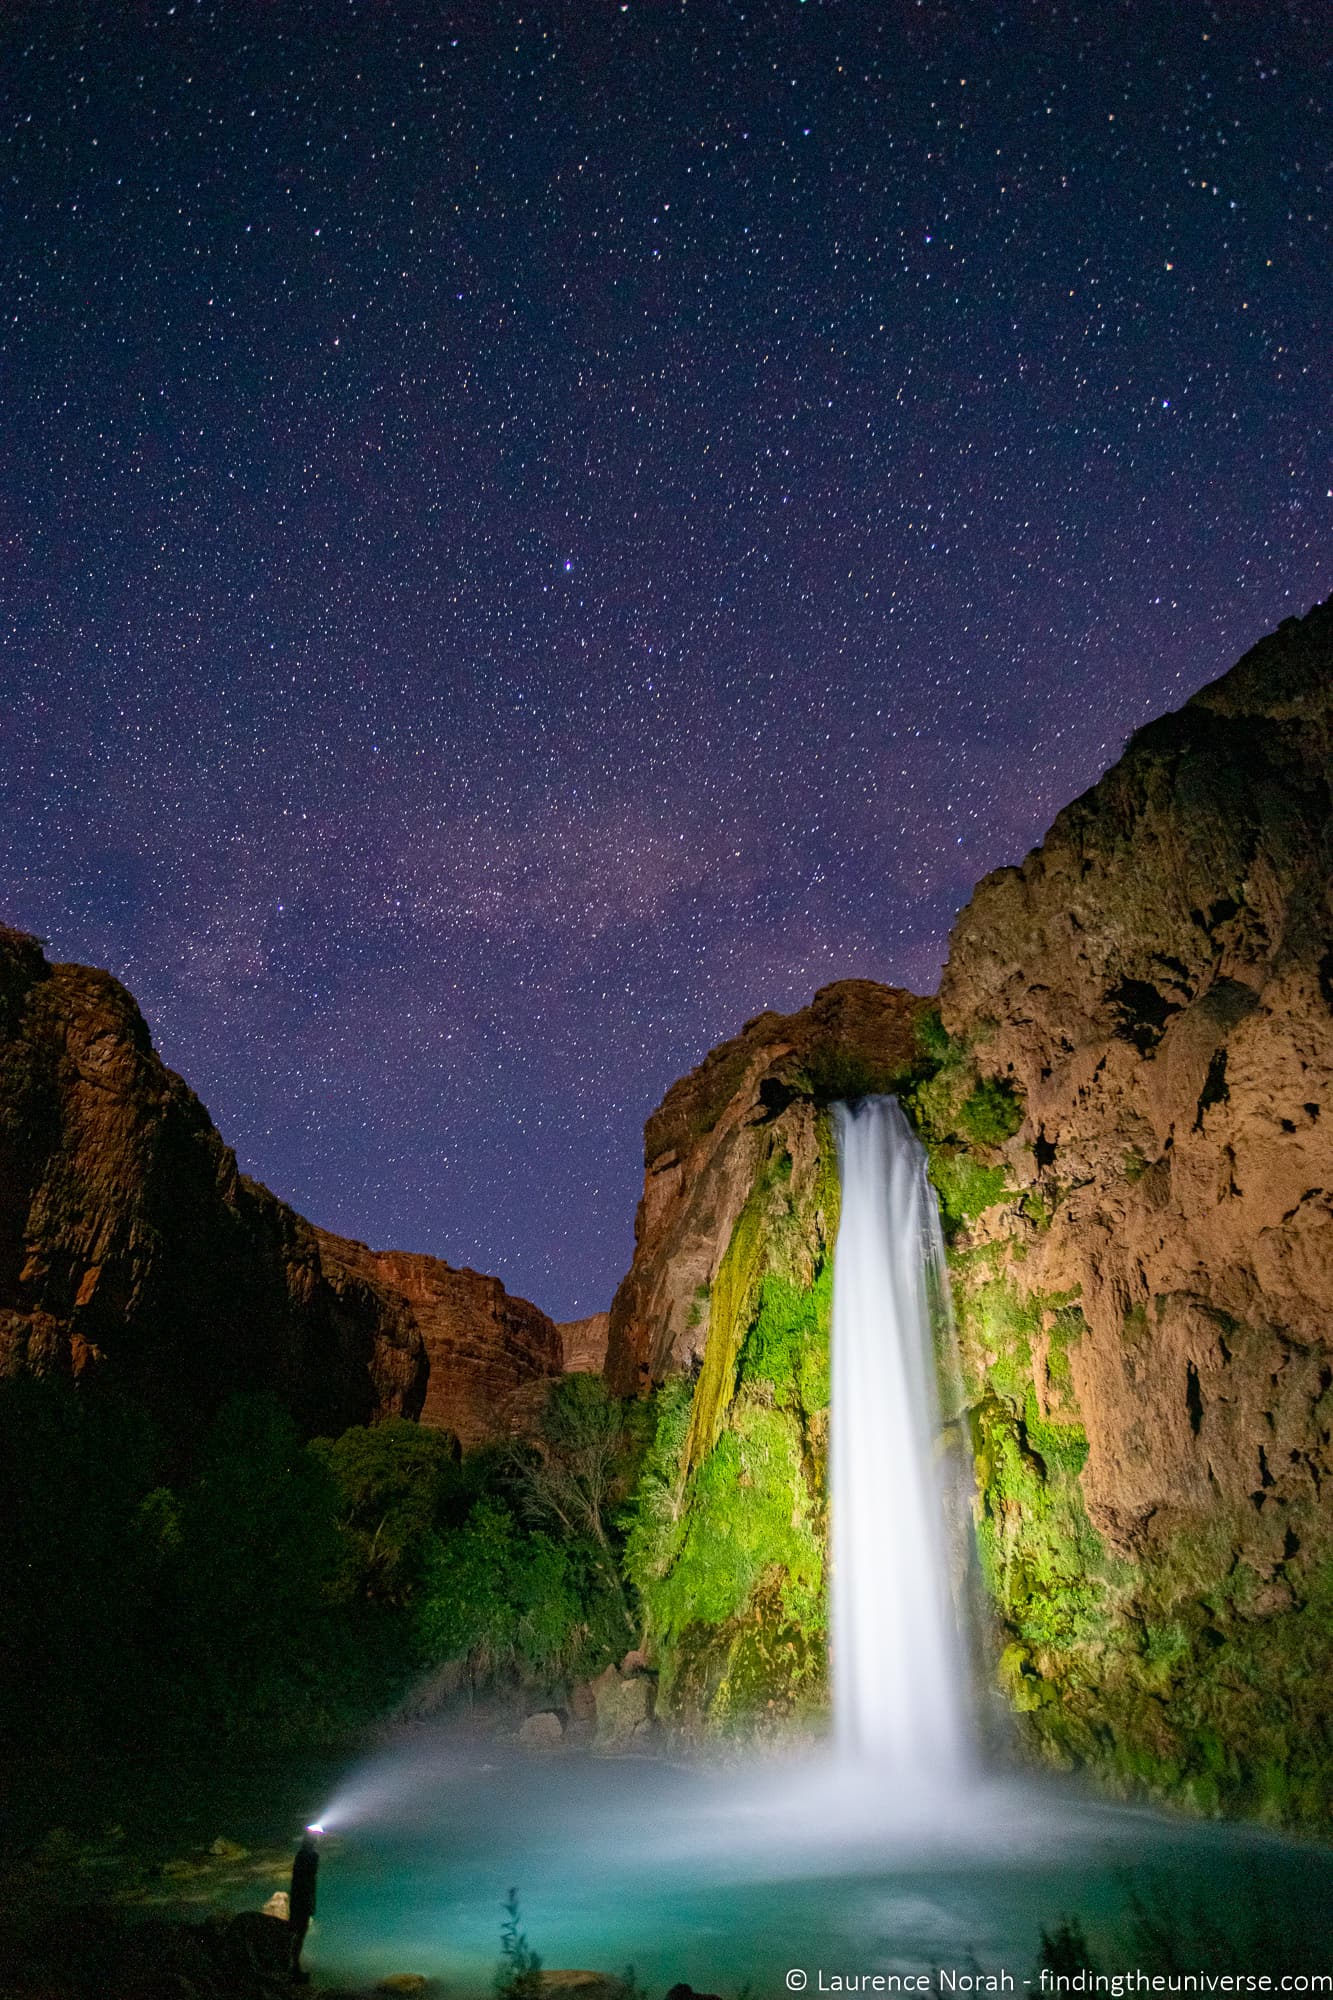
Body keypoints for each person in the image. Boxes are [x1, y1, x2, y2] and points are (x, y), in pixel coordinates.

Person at [288, 1828, 320, 1983]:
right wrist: (310, 1902)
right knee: (300, 1933)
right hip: (303, 1899)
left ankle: (292, 1965)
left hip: (297, 1898)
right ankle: (294, 1968)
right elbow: (310, 1880)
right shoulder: (312, 1856)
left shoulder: (300, 1854)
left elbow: (297, 1879)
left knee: (294, 1932)